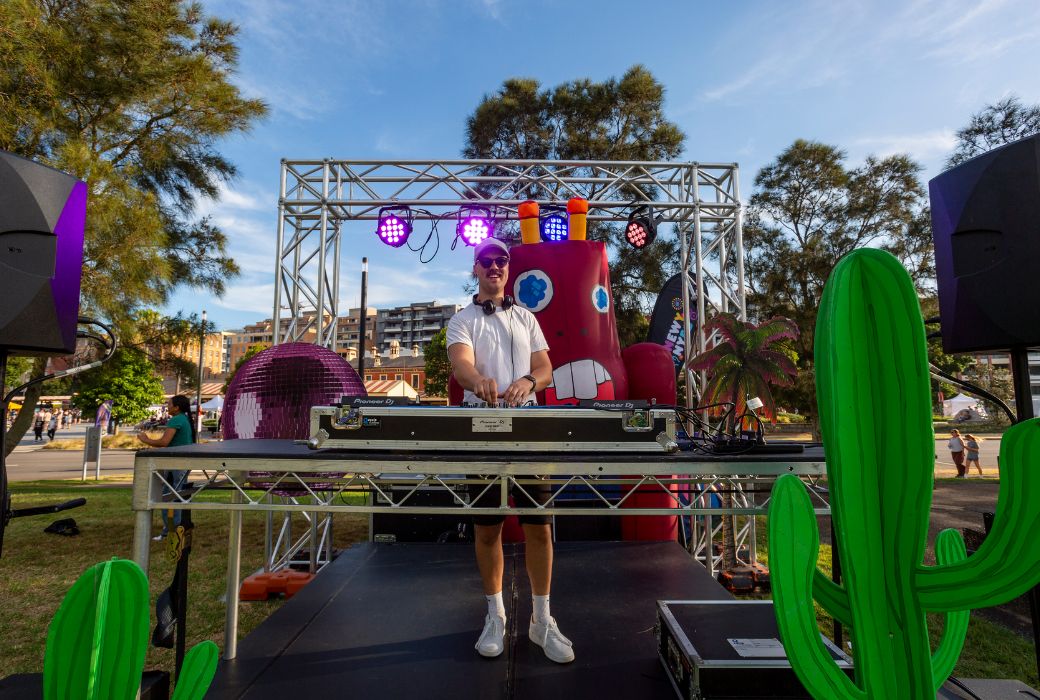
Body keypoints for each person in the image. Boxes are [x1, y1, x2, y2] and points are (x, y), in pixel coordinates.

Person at [446, 237, 573, 664]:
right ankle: (495, 616)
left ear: (508, 268)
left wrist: (529, 382)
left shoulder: (526, 317)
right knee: (487, 528)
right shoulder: (461, 319)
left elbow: (545, 368)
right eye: (486, 260)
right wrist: (477, 381)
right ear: (476, 269)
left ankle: (542, 621)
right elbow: (461, 365)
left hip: (529, 429)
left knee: (539, 526)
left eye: (501, 260)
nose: (495, 266)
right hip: (481, 431)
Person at [137, 395, 196, 540]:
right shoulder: (184, 419)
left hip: (176, 463)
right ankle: (174, 529)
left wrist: (146, 440)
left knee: (171, 497)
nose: (167, 406)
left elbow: (164, 442)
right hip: (182, 462)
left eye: (169, 404)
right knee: (175, 495)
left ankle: (172, 531)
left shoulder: (176, 420)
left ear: (176, 407)